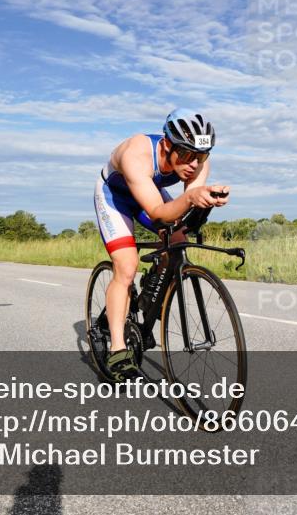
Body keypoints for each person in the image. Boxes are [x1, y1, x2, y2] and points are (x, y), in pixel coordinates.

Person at [94, 109, 230, 382]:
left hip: (149, 192)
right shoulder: (136, 152)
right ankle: (118, 350)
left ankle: (148, 296)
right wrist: (192, 197)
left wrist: (205, 202)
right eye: (186, 155)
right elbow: (158, 211)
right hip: (116, 197)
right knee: (127, 266)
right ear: (167, 145)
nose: (193, 163)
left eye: (201, 156)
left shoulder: (198, 161)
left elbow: (184, 212)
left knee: (178, 239)